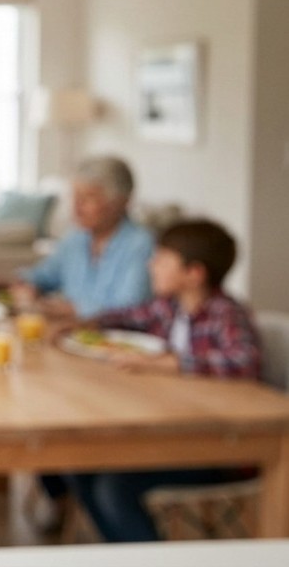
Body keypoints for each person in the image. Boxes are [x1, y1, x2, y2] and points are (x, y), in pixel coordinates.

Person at [61, 219, 261, 542]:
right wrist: (77, 321)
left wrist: (174, 363)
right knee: (76, 462)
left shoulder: (226, 314)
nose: (151, 264)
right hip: (170, 431)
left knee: (115, 486)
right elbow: (123, 317)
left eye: (162, 259)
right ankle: (125, 549)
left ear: (193, 273)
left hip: (219, 445)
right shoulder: (168, 307)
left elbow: (244, 361)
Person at [14, 155, 153, 320]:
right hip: (66, 334)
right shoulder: (75, 237)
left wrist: (74, 310)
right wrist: (27, 285)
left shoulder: (141, 244)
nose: (76, 207)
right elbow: (44, 276)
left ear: (120, 202)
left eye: (88, 198)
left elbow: (130, 310)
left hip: (112, 341)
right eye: (75, 197)